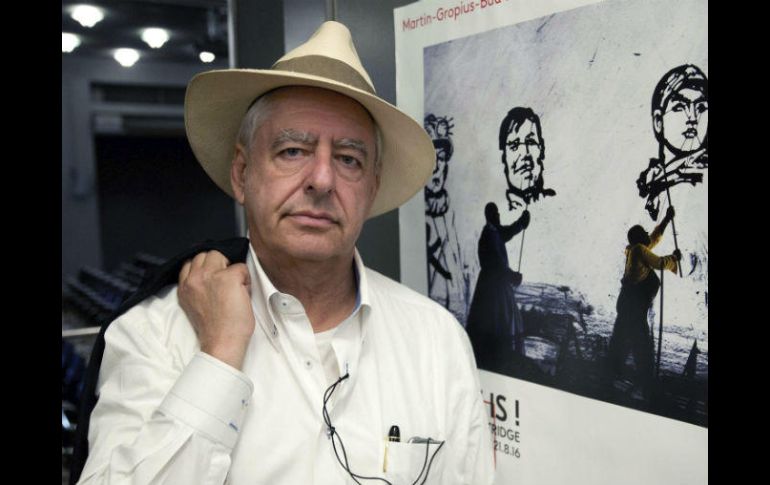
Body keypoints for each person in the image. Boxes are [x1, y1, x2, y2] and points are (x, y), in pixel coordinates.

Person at [76, 22, 493, 485]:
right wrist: (218, 356)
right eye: (293, 151)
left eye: (349, 159)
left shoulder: (436, 340)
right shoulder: (156, 333)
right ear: (242, 174)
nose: (322, 180)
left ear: (371, 189)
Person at [605, 206, 681, 402]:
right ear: (639, 239)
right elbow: (660, 263)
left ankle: (608, 380)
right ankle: (647, 391)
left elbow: (652, 239)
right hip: (634, 309)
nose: (648, 234)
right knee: (641, 348)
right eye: (644, 233)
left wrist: (666, 219)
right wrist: (674, 259)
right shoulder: (639, 250)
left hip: (627, 306)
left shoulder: (635, 249)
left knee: (620, 342)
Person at [637, 64, 708, 222]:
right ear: (658, 121)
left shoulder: (700, 179)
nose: (693, 118)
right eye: (680, 107)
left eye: (701, 108)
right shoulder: (655, 177)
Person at [465, 202, 529, 371]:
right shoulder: (490, 234)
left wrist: (521, 223)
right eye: (496, 213)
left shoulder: (494, 232)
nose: (499, 215)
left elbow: (508, 232)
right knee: (499, 322)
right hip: (493, 287)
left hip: (492, 285)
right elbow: (497, 264)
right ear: (491, 215)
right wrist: (512, 276)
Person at [423, 114, 464, 318]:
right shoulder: (418, 219)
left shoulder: (451, 215)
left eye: (441, 158)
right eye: (431, 159)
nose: (437, 167)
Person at [498, 107, 556, 211]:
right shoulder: (498, 214)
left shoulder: (553, 203)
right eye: (514, 145)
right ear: (503, 157)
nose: (525, 154)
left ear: (541, 150)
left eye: (531, 142)